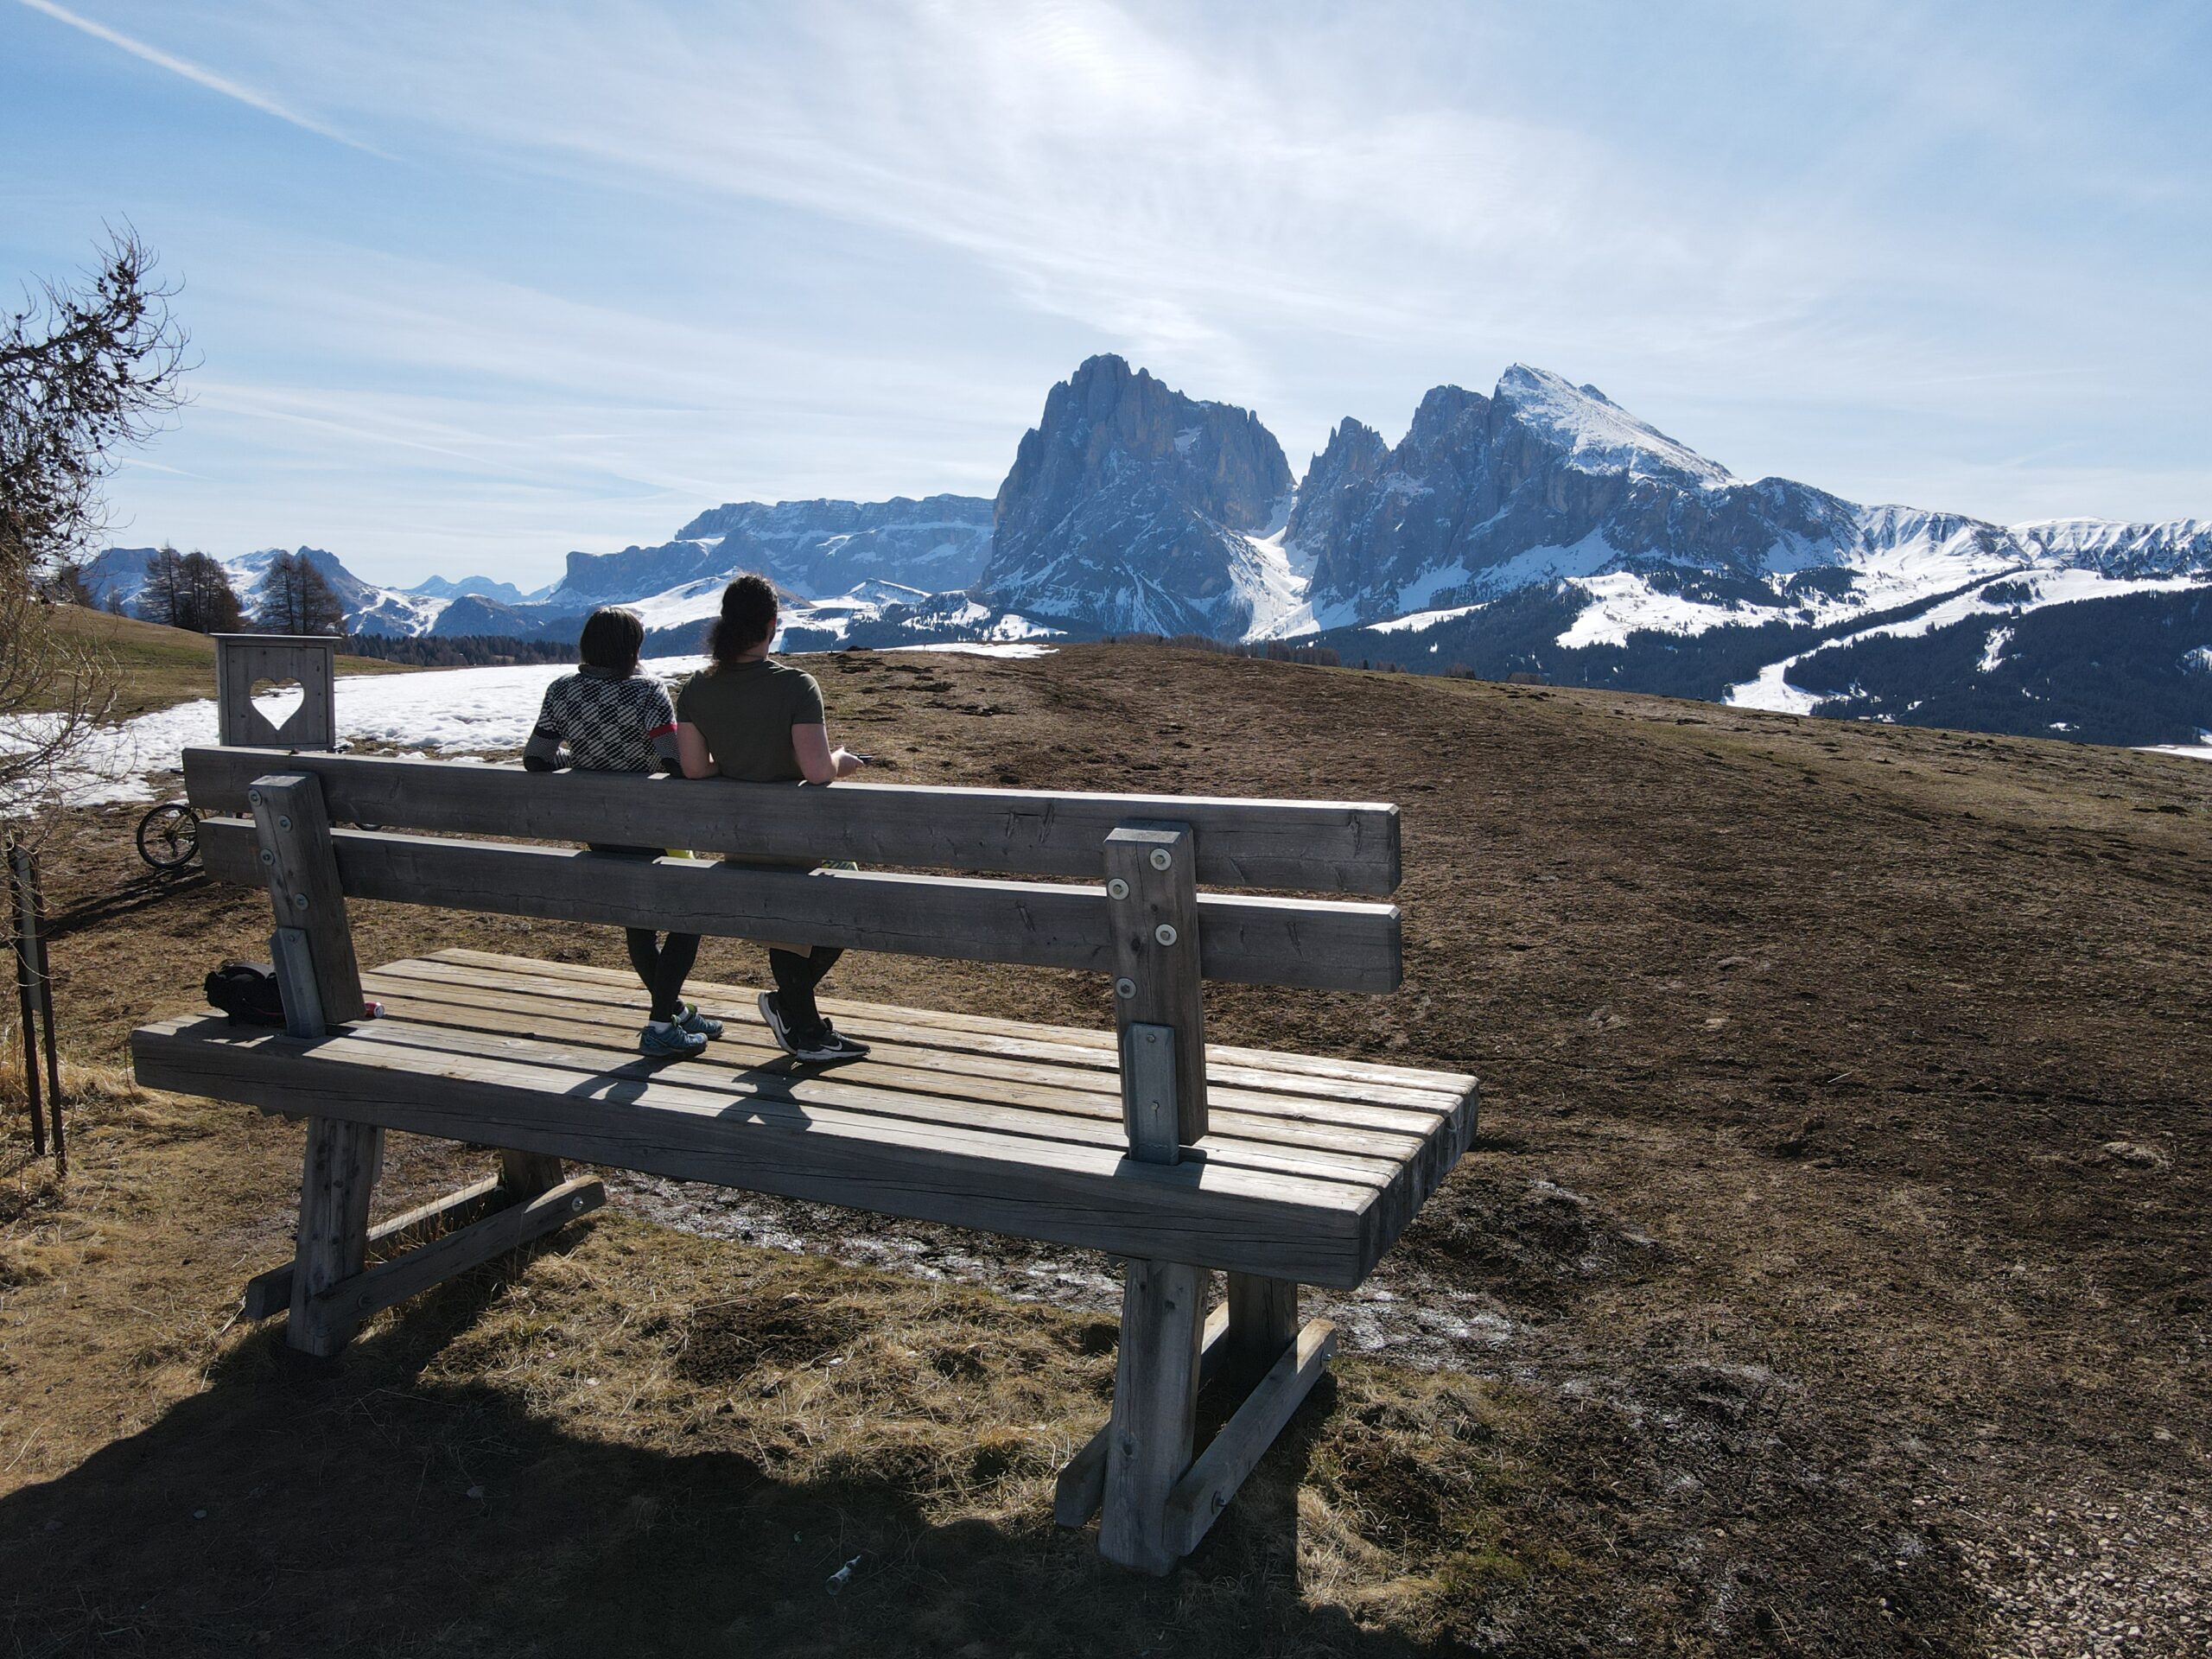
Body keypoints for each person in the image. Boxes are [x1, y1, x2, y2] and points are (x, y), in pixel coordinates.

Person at [676, 573, 870, 1063]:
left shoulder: (697, 688)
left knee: (799, 904)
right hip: (797, 845)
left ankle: (797, 1016)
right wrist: (844, 760)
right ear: (770, 624)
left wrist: (738, 765)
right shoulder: (796, 686)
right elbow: (816, 770)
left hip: (742, 847)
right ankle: (797, 1019)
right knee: (848, 896)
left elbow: (694, 769)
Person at [524, 606, 720, 1058]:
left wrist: (580, 763)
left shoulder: (561, 691)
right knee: (689, 919)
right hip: (654, 825)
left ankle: (673, 1014)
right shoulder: (646, 691)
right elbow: (673, 761)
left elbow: (536, 758)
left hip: (601, 827)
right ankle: (660, 1024)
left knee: (639, 924)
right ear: (633, 649)